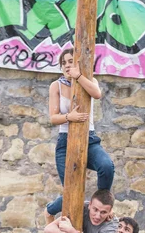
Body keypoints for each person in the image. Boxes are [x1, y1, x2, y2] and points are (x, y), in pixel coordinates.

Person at [45, 48, 114, 221]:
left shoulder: (89, 80)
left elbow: (97, 94)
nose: (67, 65)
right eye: (64, 63)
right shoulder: (56, 86)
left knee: (106, 166)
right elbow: (53, 118)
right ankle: (50, 210)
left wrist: (78, 77)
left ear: (78, 64)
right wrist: (70, 117)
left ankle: (102, 206)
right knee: (71, 191)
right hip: (65, 142)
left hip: (89, 139)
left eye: (71, 61)